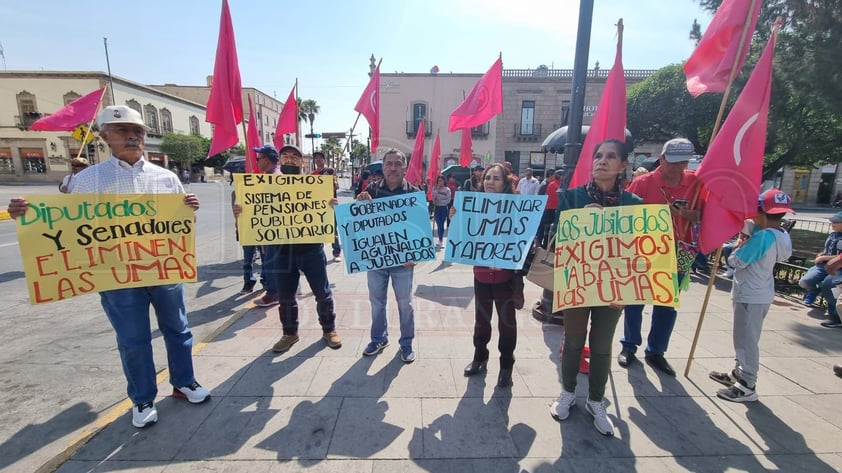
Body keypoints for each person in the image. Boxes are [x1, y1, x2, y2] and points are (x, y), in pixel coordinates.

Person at [8, 105, 210, 429]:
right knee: (134, 339)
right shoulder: (87, 181)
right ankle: (142, 398)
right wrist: (25, 214)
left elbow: (181, 224)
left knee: (178, 329)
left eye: (138, 131)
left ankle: (184, 383)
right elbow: (61, 224)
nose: (132, 136)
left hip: (163, 269)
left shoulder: (167, 178)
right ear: (104, 137)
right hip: (117, 275)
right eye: (122, 131)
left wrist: (190, 209)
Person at [549, 139, 642, 437]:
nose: (602, 161)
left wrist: (627, 290)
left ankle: (596, 400)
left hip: (614, 287)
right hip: (578, 281)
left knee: (602, 346)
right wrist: (582, 221)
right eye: (598, 156)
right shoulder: (572, 197)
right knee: (573, 341)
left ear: (623, 165)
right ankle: (567, 392)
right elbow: (557, 242)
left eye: (611, 157)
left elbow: (639, 251)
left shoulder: (634, 205)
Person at [238, 144, 343, 353]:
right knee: (286, 296)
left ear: (302, 162)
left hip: (311, 250)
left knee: (322, 293)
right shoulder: (266, 185)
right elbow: (254, 210)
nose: (289, 159)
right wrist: (241, 211)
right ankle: (289, 333)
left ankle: (329, 330)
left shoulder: (314, 185)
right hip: (281, 251)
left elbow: (329, 212)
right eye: (285, 155)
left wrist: (332, 205)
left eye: (294, 156)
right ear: (279, 160)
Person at [618, 138, 703, 377]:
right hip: (645, 250)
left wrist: (687, 213)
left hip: (681, 250)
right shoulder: (642, 183)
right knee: (635, 299)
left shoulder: (695, 183)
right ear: (662, 159)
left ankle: (656, 351)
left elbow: (703, 216)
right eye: (673, 162)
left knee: (667, 303)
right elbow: (626, 216)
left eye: (683, 163)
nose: (677, 168)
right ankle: (629, 344)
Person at [709, 189, 793, 402]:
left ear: (762, 211)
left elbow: (736, 261)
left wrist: (740, 243)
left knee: (746, 340)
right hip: (759, 292)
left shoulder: (762, 237)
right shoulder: (781, 234)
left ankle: (747, 384)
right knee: (744, 337)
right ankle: (739, 373)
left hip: (750, 294)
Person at [356, 149, 419, 363]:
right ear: (383, 167)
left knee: (405, 304)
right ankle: (378, 339)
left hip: (404, 262)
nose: (393, 168)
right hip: (376, 260)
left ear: (404, 167)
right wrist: (359, 204)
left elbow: (418, 229)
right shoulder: (371, 191)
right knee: (377, 302)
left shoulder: (413, 193)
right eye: (389, 163)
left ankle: (407, 342)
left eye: (397, 163)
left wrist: (415, 254)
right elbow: (358, 223)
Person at [462, 163, 521, 387]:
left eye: (496, 178)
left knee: (507, 323)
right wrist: (457, 216)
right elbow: (465, 234)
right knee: (481, 320)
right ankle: (480, 356)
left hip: (506, 277)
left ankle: (507, 364)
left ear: (506, 183)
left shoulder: (516, 208)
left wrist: (505, 257)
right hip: (481, 274)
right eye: (487, 178)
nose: (490, 182)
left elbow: (523, 240)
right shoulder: (473, 206)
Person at [798, 212, 842, 327]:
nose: (833, 224)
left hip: (838, 267)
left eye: (837, 222)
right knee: (804, 281)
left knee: (829, 285)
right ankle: (813, 290)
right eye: (832, 221)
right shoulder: (833, 235)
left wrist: (826, 258)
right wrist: (822, 254)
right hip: (823, 265)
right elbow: (829, 249)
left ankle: (834, 312)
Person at [312, 151, 342, 262]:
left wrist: (331, 183)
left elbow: (337, 186)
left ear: (324, 160)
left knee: (333, 229)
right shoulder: (313, 174)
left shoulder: (330, 171)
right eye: (316, 158)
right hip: (318, 206)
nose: (318, 160)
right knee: (319, 229)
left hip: (331, 204)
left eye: (320, 158)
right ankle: (319, 254)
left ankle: (336, 252)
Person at [432, 175, 451, 248]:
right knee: (438, 223)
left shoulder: (447, 189)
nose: (440, 182)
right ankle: (440, 239)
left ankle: (441, 240)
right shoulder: (434, 188)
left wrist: (440, 201)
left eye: (441, 180)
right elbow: (433, 198)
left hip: (443, 208)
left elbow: (448, 200)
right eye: (439, 180)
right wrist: (436, 190)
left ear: (444, 181)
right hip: (437, 208)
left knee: (441, 224)